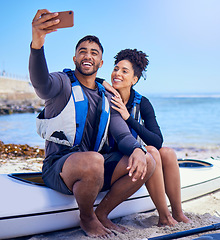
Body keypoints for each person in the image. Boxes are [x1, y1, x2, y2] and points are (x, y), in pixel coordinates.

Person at [29, 10, 155, 238]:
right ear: (75, 58)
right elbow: (41, 84)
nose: (88, 56)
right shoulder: (62, 84)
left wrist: (137, 149)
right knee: (94, 160)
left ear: (101, 61)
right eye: (82, 52)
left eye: (94, 53)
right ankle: (86, 217)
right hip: (58, 167)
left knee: (147, 159)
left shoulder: (107, 96)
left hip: (94, 167)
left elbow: (122, 133)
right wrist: (37, 45)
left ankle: (103, 213)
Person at [101, 49, 190, 226]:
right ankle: (164, 217)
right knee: (150, 152)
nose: (117, 74)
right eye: (116, 69)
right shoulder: (105, 96)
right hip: (110, 160)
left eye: (124, 71)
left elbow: (157, 140)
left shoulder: (142, 102)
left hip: (133, 159)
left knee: (168, 153)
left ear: (134, 80)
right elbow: (91, 80)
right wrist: (102, 81)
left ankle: (177, 213)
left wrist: (128, 118)